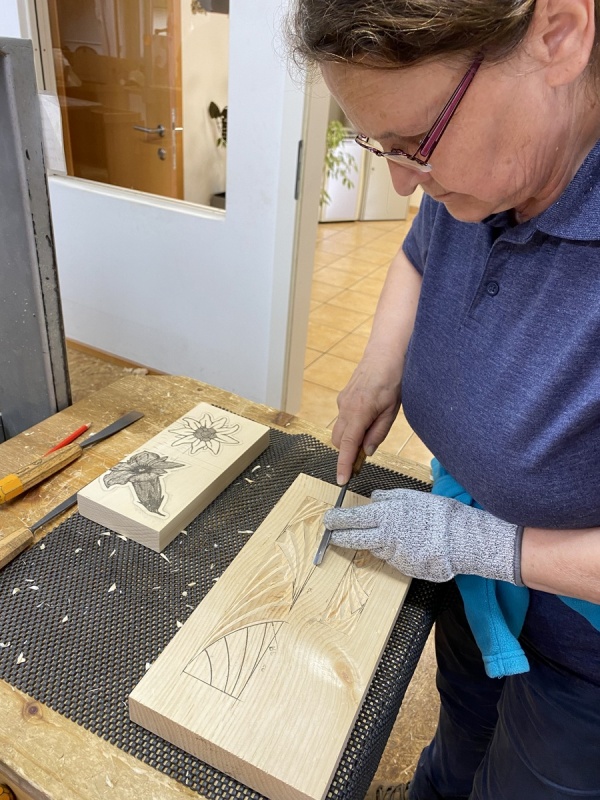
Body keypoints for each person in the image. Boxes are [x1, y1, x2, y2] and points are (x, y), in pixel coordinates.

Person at [288, 1, 600, 798]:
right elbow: (419, 253)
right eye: (381, 146)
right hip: (469, 570)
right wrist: (380, 367)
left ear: (560, 36)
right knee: (459, 735)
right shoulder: (479, 168)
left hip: (583, 651)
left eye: (417, 143)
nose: (402, 181)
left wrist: (485, 545)